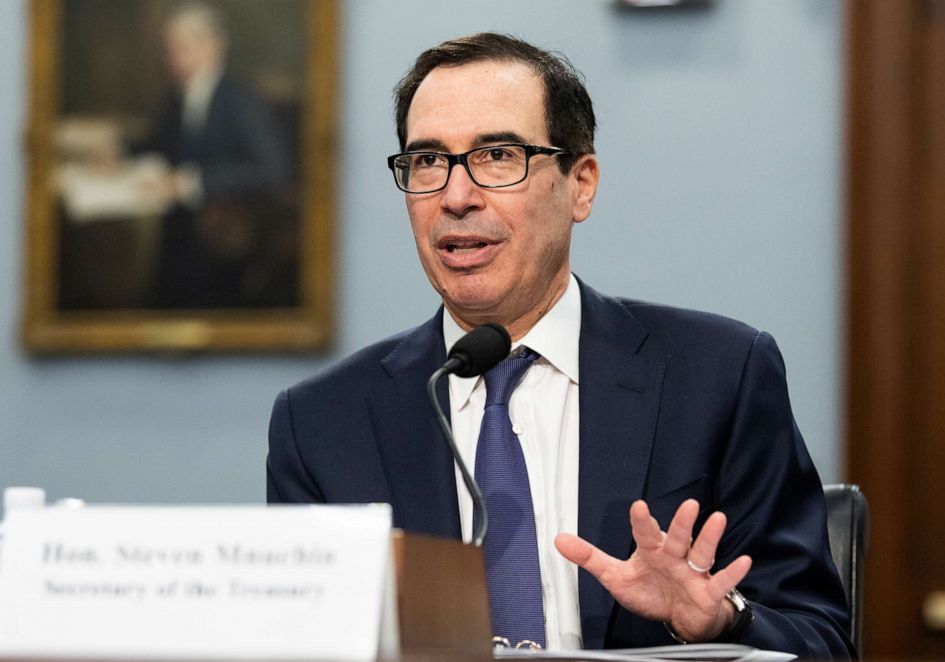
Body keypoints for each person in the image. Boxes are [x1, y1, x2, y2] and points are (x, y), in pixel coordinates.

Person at [267, 33, 853, 658]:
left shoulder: (718, 377)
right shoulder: (323, 422)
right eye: (428, 161)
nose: (456, 196)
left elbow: (820, 641)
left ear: (581, 184)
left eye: (497, 155)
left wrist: (722, 621)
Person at [139, 2, 292, 308]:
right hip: (179, 237)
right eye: (169, 48)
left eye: (182, 46)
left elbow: (272, 169)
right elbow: (159, 143)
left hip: (227, 243)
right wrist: (119, 150)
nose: (173, 58)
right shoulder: (177, 98)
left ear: (213, 45)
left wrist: (192, 183)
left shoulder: (240, 101)